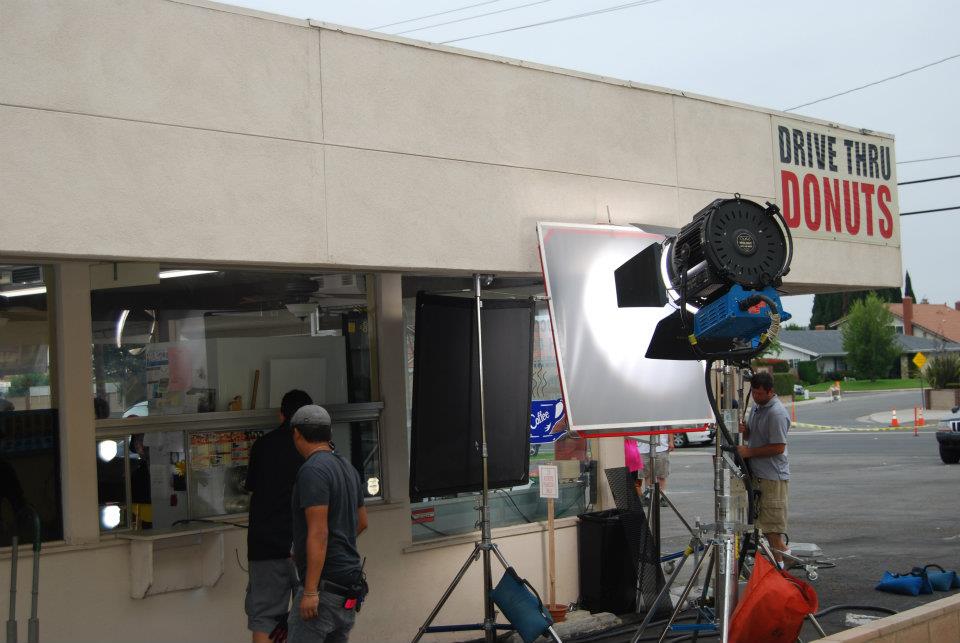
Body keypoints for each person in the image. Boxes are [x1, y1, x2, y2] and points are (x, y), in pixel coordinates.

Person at [288, 405, 368, 643]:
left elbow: (319, 533)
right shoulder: (347, 468)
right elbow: (362, 522)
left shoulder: (313, 470)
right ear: (329, 433)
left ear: (297, 434)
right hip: (348, 585)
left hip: (324, 588)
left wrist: (310, 591)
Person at [244, 389, 313, 643]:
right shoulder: (315, 449)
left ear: (281, 415)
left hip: (265, 546)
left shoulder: (263, 445)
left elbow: (252, 487)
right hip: (305, 545)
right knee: (312, 615)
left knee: (265, 617)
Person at [738, 371, 790, 567]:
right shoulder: (757, 408)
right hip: (759, 475)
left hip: (772, 476)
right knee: (765, 527)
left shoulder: (776, 413)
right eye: (753, 392)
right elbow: (754, 436)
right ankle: (782, 562)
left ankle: (781, 567)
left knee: (772, 528)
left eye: (760, 393)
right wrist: (746, 432)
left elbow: (778, 447)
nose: (756, 397)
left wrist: (749, 452)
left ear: (770, 391)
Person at [637, 432, 673, 507]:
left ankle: (662, 497)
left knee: (661, 474)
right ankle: (649, 497)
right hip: (642, 448)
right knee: (647, 474)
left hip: (661, 447)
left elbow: (669, 427)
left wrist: (671, 441)